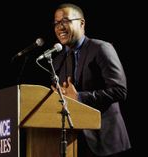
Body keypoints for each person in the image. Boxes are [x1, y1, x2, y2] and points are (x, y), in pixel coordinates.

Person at [51, 3, 131, 157]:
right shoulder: (58, 61)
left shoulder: (101, 48)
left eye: (65, 21)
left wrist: (79, 97)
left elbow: (120, 91)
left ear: (81, 23)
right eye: (56, 23)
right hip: (74, 144)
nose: (60, 27)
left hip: (106, 142)